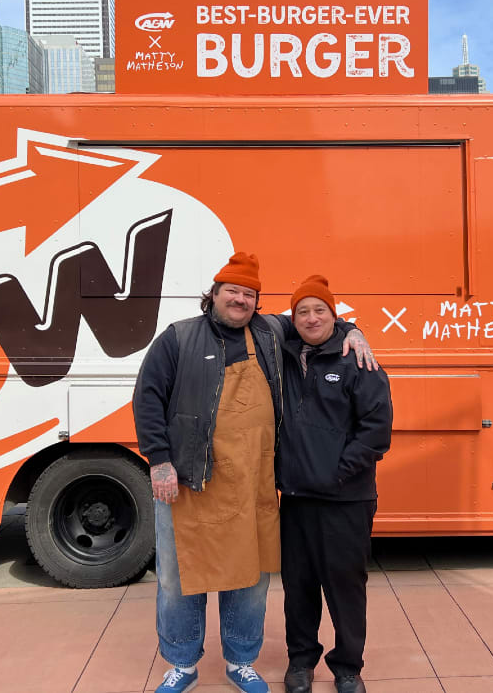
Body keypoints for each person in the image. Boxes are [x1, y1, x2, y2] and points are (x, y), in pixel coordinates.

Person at [134, 253, 376, 693]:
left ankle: (241, 660)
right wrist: (159, 459)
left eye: (250, 294)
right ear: (215, 294)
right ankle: (182, 664)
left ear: (257, 303)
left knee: (249, 578)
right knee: (178, 578)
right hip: (190, 481)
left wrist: (354, 332)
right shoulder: (178, 338)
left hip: (252, 481)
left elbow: (315, 318)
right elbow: (148, 397)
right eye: (233, 291)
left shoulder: (269, 331)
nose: (241, 300)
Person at [277, 275, 392, 693]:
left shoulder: (357, 361)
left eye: (320, 310)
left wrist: (335, 472)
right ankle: (301, 662)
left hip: (347, 498)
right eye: (302, 311)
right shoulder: (284, 358)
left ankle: (348, 667)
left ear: (334, 314)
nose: (311, 318)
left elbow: (376, 432)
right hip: (295, 500)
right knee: (298, 588)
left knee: (345, 587)